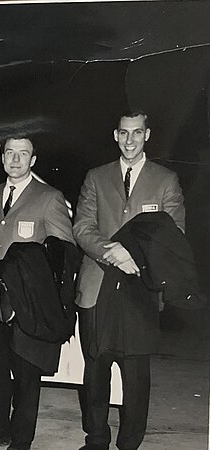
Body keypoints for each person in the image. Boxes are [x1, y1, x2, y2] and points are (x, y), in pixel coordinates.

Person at [73, 111, 185, 450]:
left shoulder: (165, 180)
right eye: (124, 133)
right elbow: (82, 227)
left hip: (140, 288)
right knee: (95, 370)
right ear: (115, 135)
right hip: (97, 286)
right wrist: (111, 252)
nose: (130, 140)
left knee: (136, 375)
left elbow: (174, 233)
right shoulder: (97, 177)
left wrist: (133, 254)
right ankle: (96, 439)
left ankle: (129, 443)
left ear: (147, 135)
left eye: (137, 133)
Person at [0, 136, 74, 450]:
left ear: (33, 160)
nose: (15, 160)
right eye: (10, 153)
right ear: (2, 158)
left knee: (27, 376)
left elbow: (64, 253)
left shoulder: (49, 197)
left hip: (27, 305)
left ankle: (21, 439)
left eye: (23, 154)